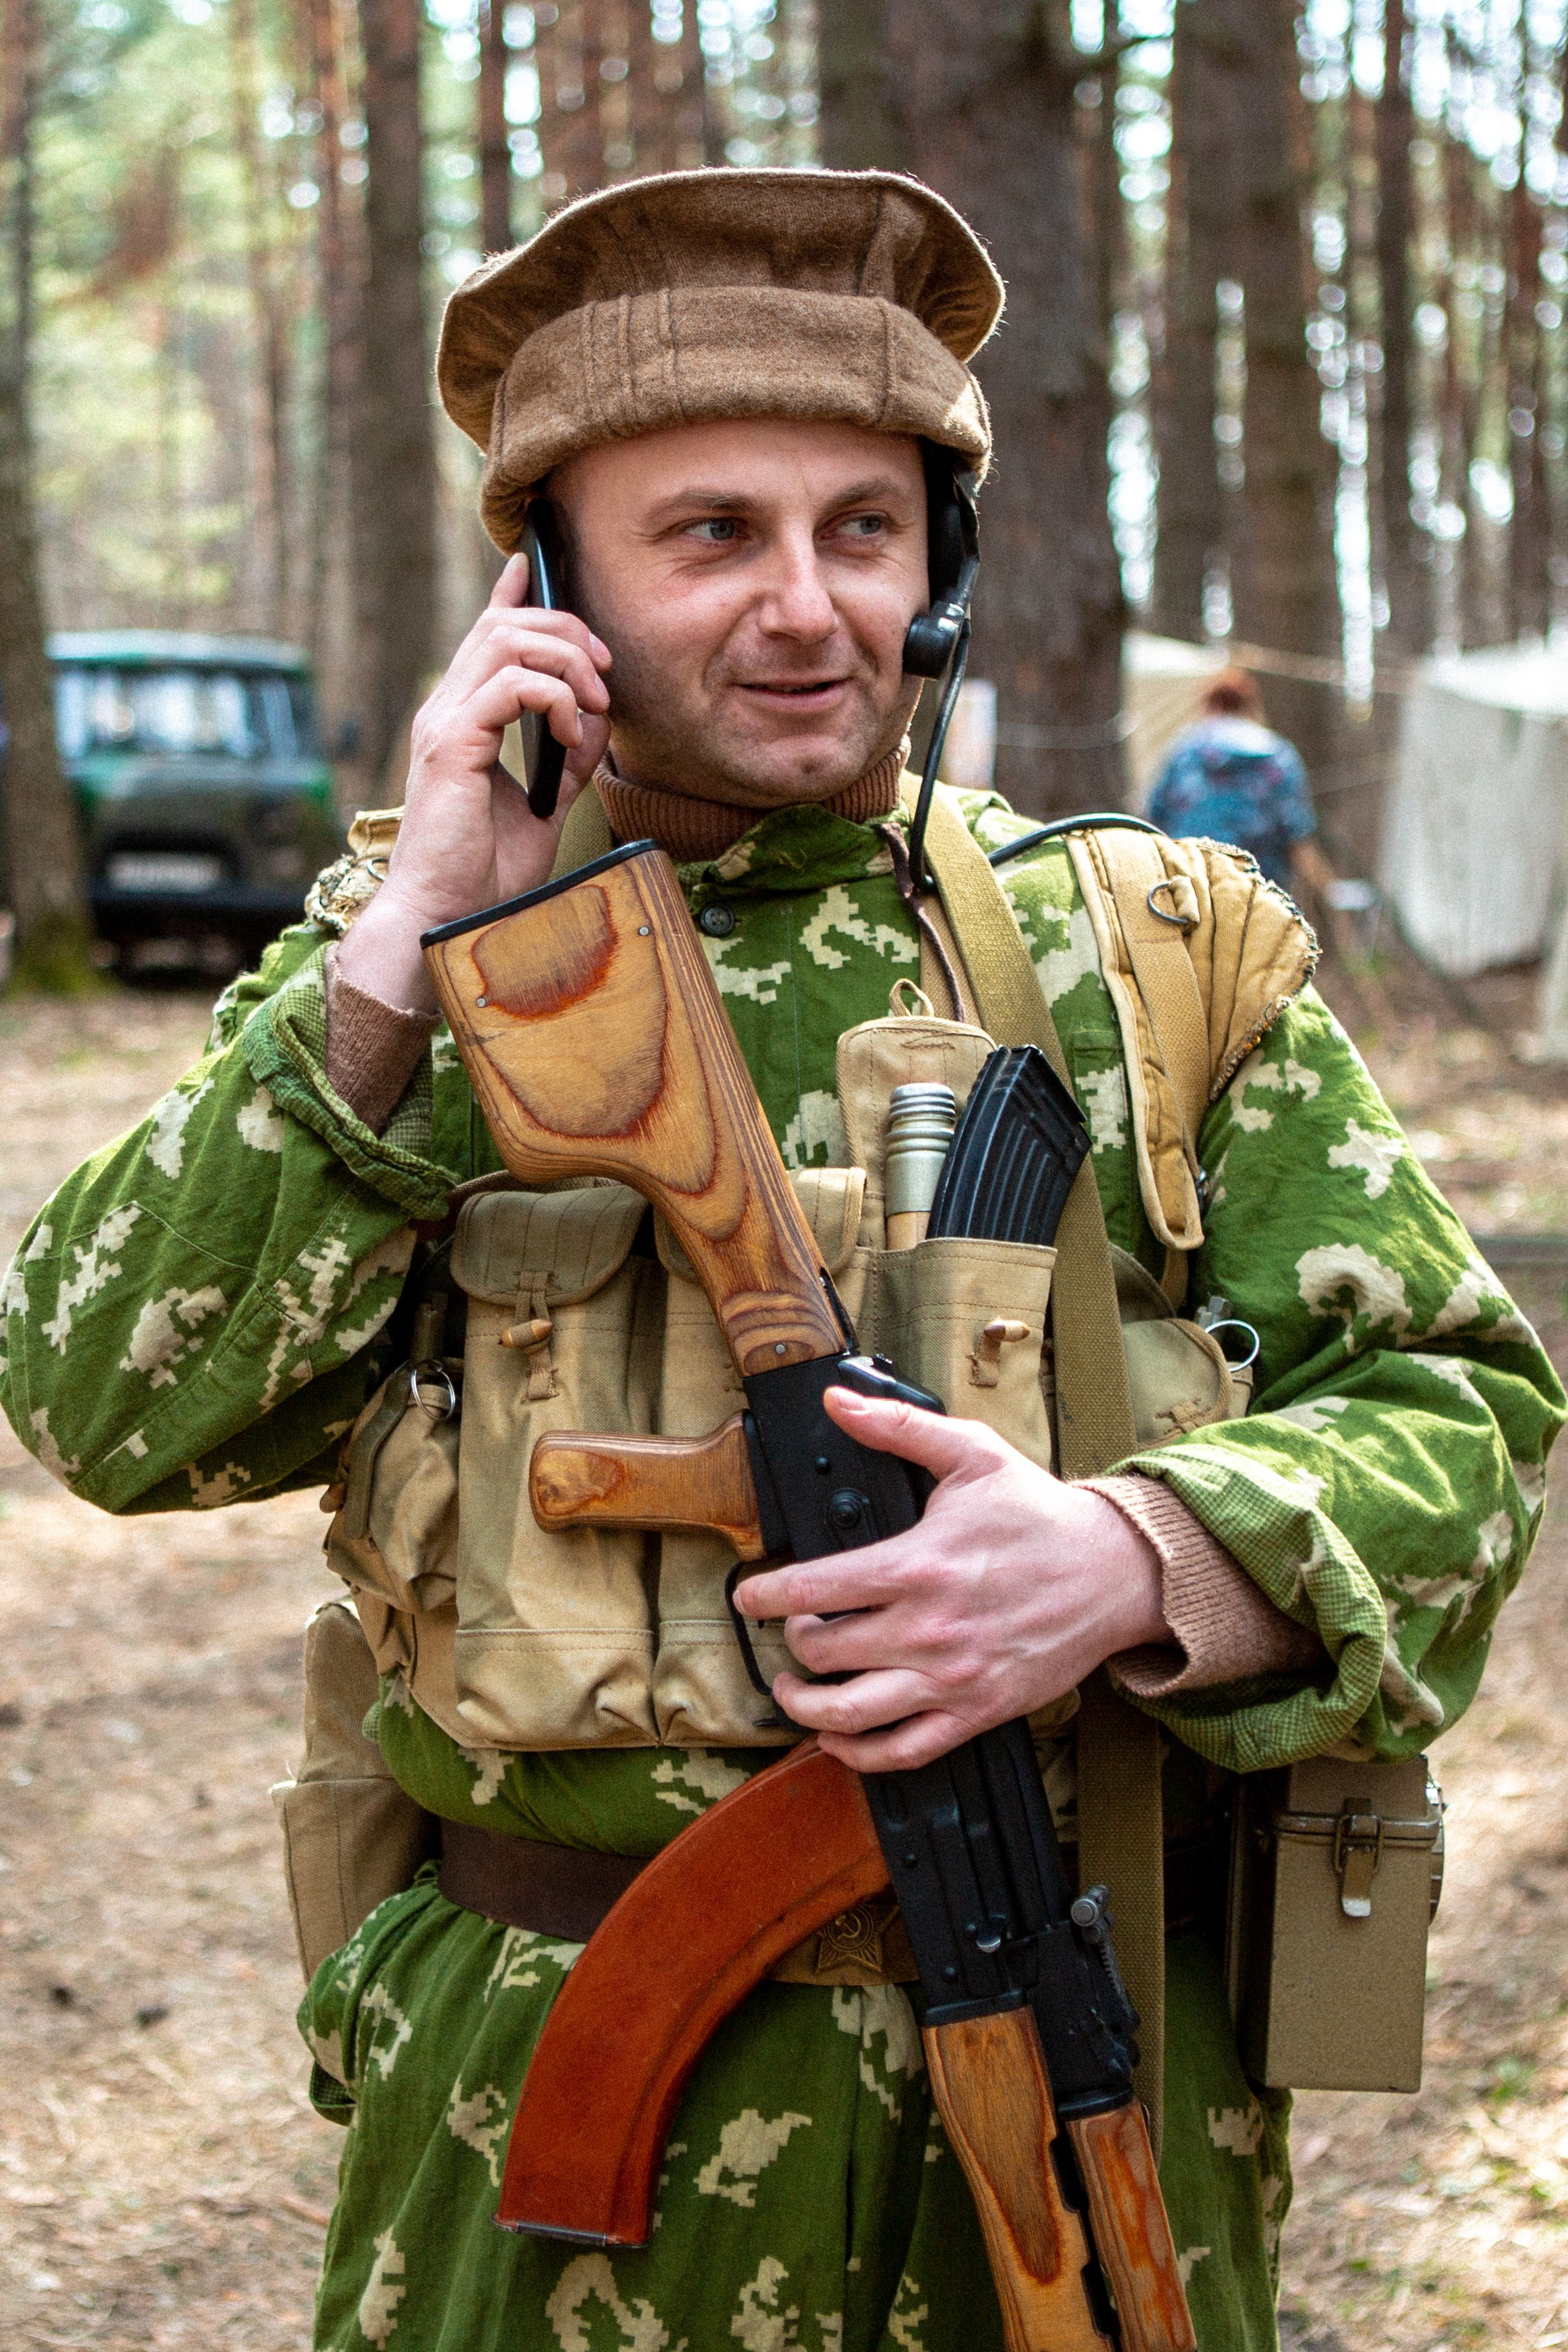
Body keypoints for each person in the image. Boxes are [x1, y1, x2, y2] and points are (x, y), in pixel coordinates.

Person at [3, 169, 1560, 2352]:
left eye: (862, 526)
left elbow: (1461, 1407)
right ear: (548, 587)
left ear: (942, 567)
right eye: (708, 533)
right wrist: (397, 959)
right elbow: (99, 1408)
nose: (806, 604)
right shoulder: (415, 973)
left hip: (1080, 2075)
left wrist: (1136, 1553)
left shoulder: (1156, 959)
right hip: (557, 2130)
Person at [1147, 667, 1337, 901]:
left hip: (1189, 893)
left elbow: (1154, 819)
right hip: (1259, 898)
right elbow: (1297, 836)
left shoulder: (1186, 751)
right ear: (1250, 707)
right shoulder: (1278, 756)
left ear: (1210, 705)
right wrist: (1329, 888)